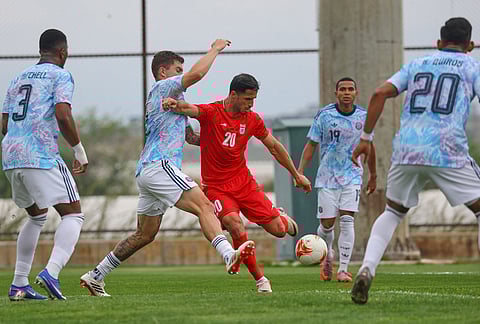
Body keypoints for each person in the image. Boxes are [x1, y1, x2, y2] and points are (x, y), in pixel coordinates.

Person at [80, 40, 255, 297]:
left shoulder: (175, 104)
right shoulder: (163, 87)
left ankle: (96, 275)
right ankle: (229, 254)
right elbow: (196, 75)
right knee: (204, 206)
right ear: (163, 72)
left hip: (149, 171)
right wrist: (215, 49)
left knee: (145, 234)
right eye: (177, 69)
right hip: (160, 165)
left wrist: (226, 134)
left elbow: (192, 138)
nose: (180, 74)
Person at [350, 17, 480, 304]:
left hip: (407, 149)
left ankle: (366, 269)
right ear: (470, 45)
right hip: (447, 149)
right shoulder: (473, 67)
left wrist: (366, 138)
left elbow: (379, 93)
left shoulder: (418, 64)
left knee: (393, 212)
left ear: (438, 43)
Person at [163, 73, 312, 293]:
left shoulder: (252, 119)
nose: (251, 105)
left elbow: (274, 146)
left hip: (244, 184)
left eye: (253, 100)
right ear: (233, 95)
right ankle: (261, 280)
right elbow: (189, 109)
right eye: (247, 99)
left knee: (279, 231)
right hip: (216, 187)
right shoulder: (213, 112)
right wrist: (173, 103)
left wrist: (296, 174)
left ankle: (279, 216)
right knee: (234, 223)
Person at [2, 29, 89, 301]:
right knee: (73, 214)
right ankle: (51, 272)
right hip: (40, 154)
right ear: (63, 52)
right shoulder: (61, 75)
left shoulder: (18, 78)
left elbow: (4, 123)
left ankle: (19, 285)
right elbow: (63, 115)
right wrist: (79, 151)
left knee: (37, 215)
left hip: (11, 155)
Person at [298, 77, 377, 283]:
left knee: (348, 220)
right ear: (336, 93)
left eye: (351, 89)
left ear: (356, 93)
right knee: (327, 225)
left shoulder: (363, 117)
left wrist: (373, 174)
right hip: (326, 177)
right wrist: (300, 172)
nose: (347, 92)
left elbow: (370, 146)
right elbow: (311, 145)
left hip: (352, 175)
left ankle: (343, 269)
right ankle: (327, 256)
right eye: (342, 89)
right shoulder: (324, 116)